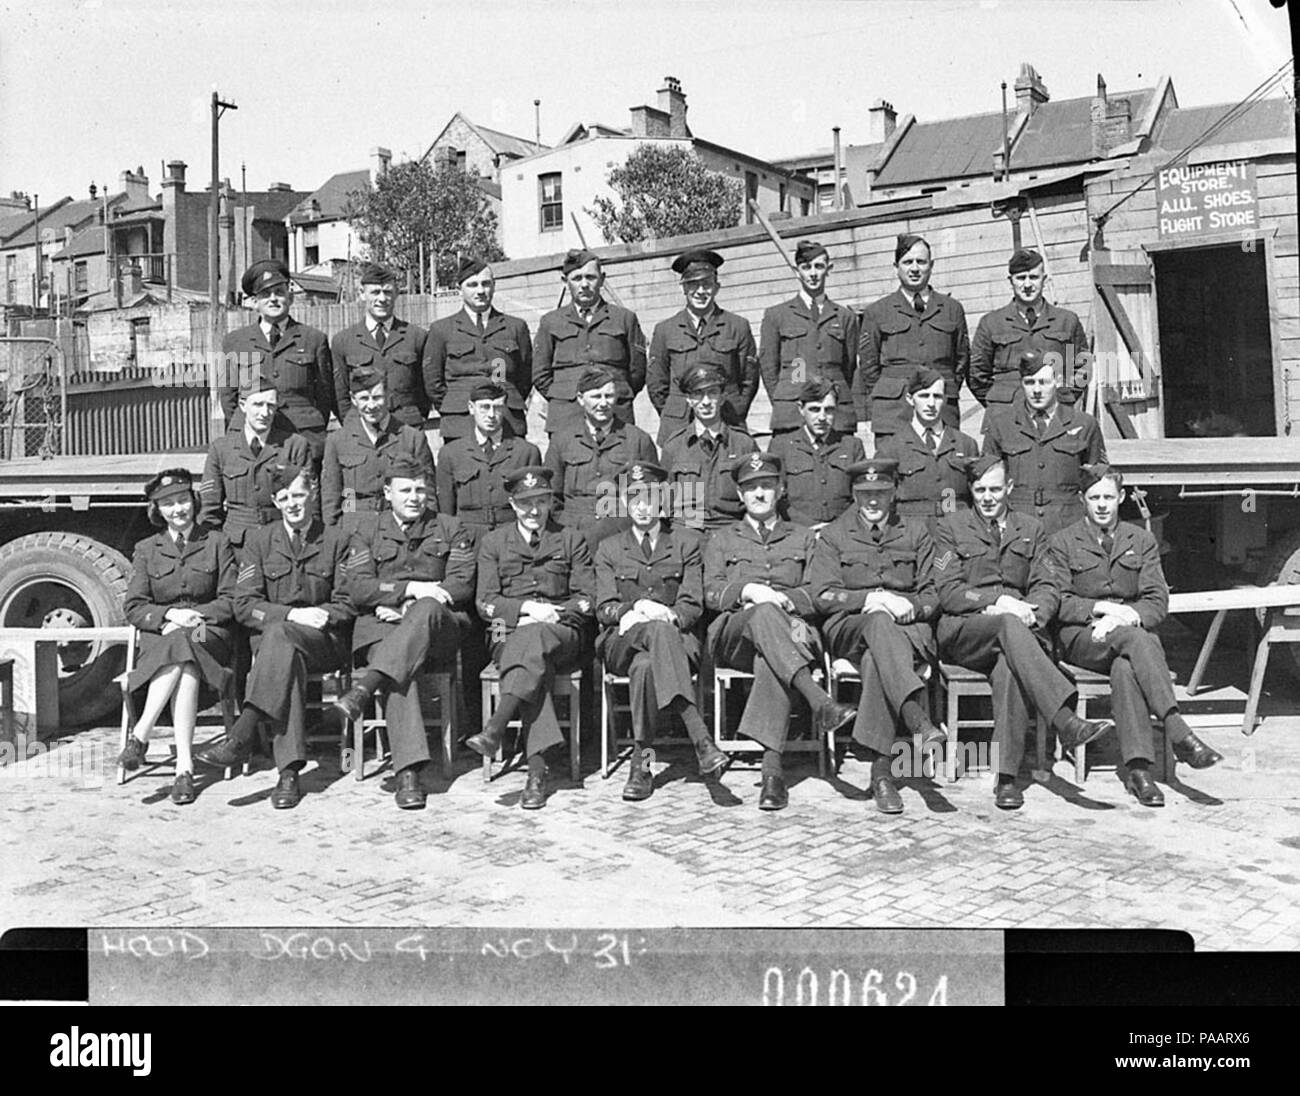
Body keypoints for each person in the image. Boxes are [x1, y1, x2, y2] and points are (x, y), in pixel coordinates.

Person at [933, 455, 1116, 809]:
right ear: (970, 491)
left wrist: (1037, 615)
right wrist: (998, 601)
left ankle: (1006, 779)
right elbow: (949, 591)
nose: (988, 497)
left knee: (1009, 670)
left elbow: (1047, 585)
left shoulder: (1031, 529)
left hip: (1019, 633)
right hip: (966, 631)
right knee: (1007, 624)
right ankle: (1064, 718)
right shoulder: (951, 528)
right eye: (980, 489)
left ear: (1010, 489)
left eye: (995, 489)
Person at [1048, 464, 1222, 806]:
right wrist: (1104, 610)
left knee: (1126, 667)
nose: (1101, 505)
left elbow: (1157, 601)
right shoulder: (1063, 542)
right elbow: (1059, 602)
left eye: (1108, 497)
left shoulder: (1141, 540)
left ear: (1121, 498)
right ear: (1083, 500)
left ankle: (1139, 772)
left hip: (1127, 637)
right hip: (1084, 638)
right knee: (1140, 640)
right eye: (1094, 497)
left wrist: (1129, 615)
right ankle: (1176, 729)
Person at [702, 452, 856, 811]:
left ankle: (772, 774)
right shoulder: (722, 539)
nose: (759, 493)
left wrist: (783, 601)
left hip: (795, 630)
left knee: (770, 656)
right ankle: (819, 701)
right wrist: (747, 592)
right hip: (734, 634)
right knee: (763, 616)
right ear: (740, 495)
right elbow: (710, 593)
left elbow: (818, 593)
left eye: (767, 486)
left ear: (781, 490)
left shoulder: (804, 538)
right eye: (751, 487)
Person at [194, 464, 354, 809]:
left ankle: (243, 732)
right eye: (284, 498)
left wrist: (321, 617)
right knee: (284, 652)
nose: (293, 504)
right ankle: (289, 774)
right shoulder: (259, 541)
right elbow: (244, 606)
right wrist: (292, 615)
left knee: (281, 640)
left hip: (324, 641)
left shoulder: (337, 539)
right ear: (275, 501)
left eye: (299, 495)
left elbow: (349, 602)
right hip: (277, 645)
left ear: (311, 494)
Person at [333, 457, 477, 810]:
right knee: (402, 669)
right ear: (387, 493)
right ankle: (409, 774)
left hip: (440, 628)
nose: (414, 497)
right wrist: (412, 588)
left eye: (421, 490)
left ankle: (364, 688)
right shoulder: (365, 530)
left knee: (426, 609)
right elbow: (360, 587)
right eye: (406, 490)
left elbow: (461, 584)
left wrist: (409, 607)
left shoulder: (451, 527)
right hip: (380, 627)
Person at [806, 458, 946, 814]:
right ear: (854, 494)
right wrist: (870, 599)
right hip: (850, 626)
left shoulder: (916, 532)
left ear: (894, 492)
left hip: (906, 630)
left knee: (875, 660)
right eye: (865, 494)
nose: (873, 501)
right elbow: (822, 595)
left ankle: (881, 773)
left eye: (881, 493)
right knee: (878, 624)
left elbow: (933, 595)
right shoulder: (835, 535)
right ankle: (916, 717)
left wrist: (908, 606)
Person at [594, 460, 730, 801]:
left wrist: (664, 617)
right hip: (622, 641)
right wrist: (635, 609)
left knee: (646, 666)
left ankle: (642, 764)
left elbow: (692, 606)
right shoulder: (610, 547)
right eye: (634, 497)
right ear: (625, 502)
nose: (642, 506)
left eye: (650, 497)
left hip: (676, 639)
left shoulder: (686, 543)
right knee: (649, 641)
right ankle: (700, 738)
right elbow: (604, 607)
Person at [467, 466, 596, 810]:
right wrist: (525, 609)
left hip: (562, 630)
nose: (534, 510)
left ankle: (497, 725)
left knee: (531, 645)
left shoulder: (572, 538)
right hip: (505, 632)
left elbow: (586, 598)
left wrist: (551, 613)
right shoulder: (494, 542)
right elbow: (485, 603)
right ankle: (536, 772)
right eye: (526, 504)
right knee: (530, 660)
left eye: (541, 501)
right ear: (512, 504)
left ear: (552, 501)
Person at [118, 469, 237, 805]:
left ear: (194, 501)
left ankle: (141, 733)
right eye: (168, 504)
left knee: (186, 640)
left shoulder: (216, 542)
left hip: (205, 629)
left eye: (183, 500)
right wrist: (169, 615)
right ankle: (184, 768)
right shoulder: (146, 549)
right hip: (164, 633)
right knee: (184, 660)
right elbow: (135, 607)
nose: (178, 509)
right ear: (158, 510)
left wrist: (192, 617)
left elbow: (230, 599)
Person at [219, 259, 334, 464]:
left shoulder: (314, 339)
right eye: (265, 294)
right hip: (255, 444)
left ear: (290, 297)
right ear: (254, 302)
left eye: (279, 292)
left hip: (303, 441)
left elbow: (325, 396)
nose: (273, 299)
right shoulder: (235, 342)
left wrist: (309, 426)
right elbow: (228, 398)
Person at [982, 349, 1106, 535]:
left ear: (1056, 382)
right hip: (1018, 526)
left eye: (1044, 382)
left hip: (1069, 526)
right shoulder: (1001, 424)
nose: (1037, 390)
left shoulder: (1084, 424)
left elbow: (1097, 478)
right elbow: (987, 480)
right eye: (1030, 383)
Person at [857, 234, 970, 436]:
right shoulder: (877, 311)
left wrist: (941, 388)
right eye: (908, 262)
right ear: (896, 267)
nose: (915, 268)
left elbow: (961, 360)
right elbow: (868, 366)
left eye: (921, 262)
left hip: (942, 411)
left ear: (931, 265)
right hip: (894, 413)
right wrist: (891, 392)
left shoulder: (952, 309)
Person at [647, 249, 759, 444]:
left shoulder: (738, 326)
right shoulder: (665, 330)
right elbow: (657, 383)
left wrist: (735, 410)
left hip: (727, 421)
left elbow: (748, 379)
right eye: (693, 284)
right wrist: (674, 411)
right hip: (679, 427)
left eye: (707, 284)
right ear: (683, 288)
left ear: (717, 287)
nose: (700, 291)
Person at [542, 366, 658, 549]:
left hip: (621, 537)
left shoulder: (638, 440)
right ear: (580, 399)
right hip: (573, 536)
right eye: (596, 396)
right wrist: (565, 532)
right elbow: (551, 496)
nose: (603, 403)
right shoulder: (562, 440)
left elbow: (652, 496)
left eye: (609, 396)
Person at [534, 249, 646, 436]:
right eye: (577, 278)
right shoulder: (550, 322)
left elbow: (637, 372)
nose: (584, 284)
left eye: (590, 277)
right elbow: (540, 374)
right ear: (565, 282)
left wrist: (613, 395)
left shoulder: (625, 319)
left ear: (602, 279)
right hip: (566, 417)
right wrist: (566, 396)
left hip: (615, 416)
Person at [199, 376, 313, 558]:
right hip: (236, 547)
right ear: (243, 405)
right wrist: (217, 552)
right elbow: (209, 511)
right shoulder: (221, 449)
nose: (265, 413)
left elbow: (310, 503)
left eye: (271, 406)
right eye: (258, 405)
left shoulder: (295, 445)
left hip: (283, 544)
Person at [758, 240, 861, 438]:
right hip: (791, 415)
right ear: (797, 271)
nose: (813, 273)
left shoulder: (845, 317)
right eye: (806, 267)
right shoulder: (776, 315)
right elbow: (769, 368)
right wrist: (787, 397)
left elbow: (848, 367)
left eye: (819, 266)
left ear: (828, 269)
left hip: (835, 414)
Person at [423, 258, 532, 442]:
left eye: (486, 284)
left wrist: (506, 398)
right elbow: (433, 382)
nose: (480, 291)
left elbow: (526, 376)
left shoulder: (516, 327)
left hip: (507, 420)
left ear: (494, 286)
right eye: (472, 285)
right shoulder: (441, 330)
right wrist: (455, 404)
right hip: (460, 421)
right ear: (460, 290)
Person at [970, 248, 1089, 412]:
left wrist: (1064, 398)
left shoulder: (1067, 321)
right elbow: (977, 374)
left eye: (1033, 277)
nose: (1027, 285)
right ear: (1010, 281)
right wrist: (998, 404)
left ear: (1044, 279)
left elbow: (1083, 366)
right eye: (1020, 278)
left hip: (1055, 415)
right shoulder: (991, 323)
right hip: (1006, 415)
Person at [321, 366, 437, 533]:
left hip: (401, 528)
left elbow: (429, 494)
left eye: (377, 397)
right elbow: (332, 497)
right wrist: (336, 534)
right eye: (364, 398)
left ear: (388, 396)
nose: (371, 405)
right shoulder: (337, 441)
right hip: (355, 529)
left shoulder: (411, 438)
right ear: (353, 399)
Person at [874, 367, 979, 534]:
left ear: (945, 399)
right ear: (910, 399)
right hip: (910, 534)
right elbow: (882, 502)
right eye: (924, 396)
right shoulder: (891, 448)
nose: (931, 404)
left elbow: (975, 497)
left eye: (937, 397)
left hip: (957, 533)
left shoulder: (965, 445)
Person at [329, 261, 430, 431]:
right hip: (362, 429)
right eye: (375, 292)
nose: (382, 299)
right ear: (362, 294)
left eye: (388, 292)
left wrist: (416, 417)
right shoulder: (344, 341)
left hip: (406, 427)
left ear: (396, 293)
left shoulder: (416, 336)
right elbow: (339, 394)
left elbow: (425, 389)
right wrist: (352, 424)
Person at [434, 381, 543, 535]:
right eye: (484, 407)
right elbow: (446, 510)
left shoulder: (526, 452)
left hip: (512, 540)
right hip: (467, 541)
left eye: (498, 408)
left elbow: (535, 507)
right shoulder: (451, 453)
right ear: (471, 408)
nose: (491, 415)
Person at [660, 364, 758, 534]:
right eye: (698, 394)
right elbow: (665, 502)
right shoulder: (674, 446)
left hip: (730, 530)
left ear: (722, 397)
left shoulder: (743, 444)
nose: (705, 402)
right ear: (689, 400)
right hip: (687, 530)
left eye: (712, 393)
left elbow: (756, 497)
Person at [768, 378, 864, 530]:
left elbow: (861, 495)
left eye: (829, 410)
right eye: (814, 409)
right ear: (801, 408)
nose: (822, 417)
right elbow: (776, 497)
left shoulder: (851, 446)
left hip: (843, 531)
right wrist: (809, 526)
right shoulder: (782, 446)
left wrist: (835, 528)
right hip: (796, 531)